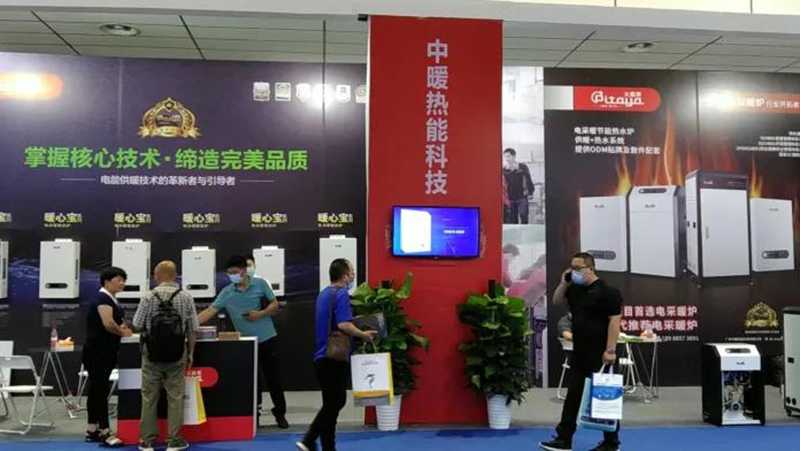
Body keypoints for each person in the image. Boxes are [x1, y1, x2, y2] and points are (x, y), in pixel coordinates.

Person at [540, 252, 623, 451]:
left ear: (591, 269)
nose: (573, 271)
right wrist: (564, 282)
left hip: (601, 353)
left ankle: (611, 443)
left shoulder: (608, 291)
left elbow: (615, 321)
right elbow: (556, 301)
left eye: (578, 268)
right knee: (573, 396)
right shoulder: (574, 290)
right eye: (572, 267)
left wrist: (610, 350)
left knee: (605, 397)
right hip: (579, 352)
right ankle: (564, 439)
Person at [197, 255, 288, 429]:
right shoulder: (227, 292)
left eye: (235, 272)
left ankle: (280, 413)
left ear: (244, 270)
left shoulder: (260, 284)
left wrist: (259, 314)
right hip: (246, 344)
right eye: (229, 273)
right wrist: (192, 323)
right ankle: (255, 415)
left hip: (267, 338)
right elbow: (210, 311)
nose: (232, 275)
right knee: (253, 381)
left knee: (273, 378)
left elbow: (275, 304)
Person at [296, 259, 376, 451]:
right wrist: (362, 334)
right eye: (352, 272)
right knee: (336, 402)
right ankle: (309, 439)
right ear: (345, 275)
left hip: (321, 356)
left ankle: (328, 447)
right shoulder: (341, 294)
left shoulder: (324, 294)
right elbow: (343, 324)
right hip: (334, 357)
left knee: (330, 405)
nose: (354, 276)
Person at [133, 261, 199, 451]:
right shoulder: (186, 297)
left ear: (160, 275)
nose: (154, 277)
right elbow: (193, 329)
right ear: (174, 275)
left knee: (149, 397)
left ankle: (147, 441)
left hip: (151, 353)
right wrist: (190, 353)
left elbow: (137, 324)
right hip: (177, 353)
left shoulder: (148, 297)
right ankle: (174, 440)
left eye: (155, 274)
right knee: (175, 397)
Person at [83, 266, 132, 448]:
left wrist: (124, 328)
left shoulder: (111, 299)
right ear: (107, 281)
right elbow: (109, 323)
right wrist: (123, 333)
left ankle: (92, 429)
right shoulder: (102, 298)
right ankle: (105, 431)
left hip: (105, 350)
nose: (122, 283)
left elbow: (116, 322)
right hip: (98, 351)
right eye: (119, 280)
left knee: (96, 390)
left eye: (124, 280)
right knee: (100, 391)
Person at [503, 148, 534, 224]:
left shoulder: (522, 167)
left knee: (524, 217)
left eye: (509, 156)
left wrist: (530, 192)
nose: (507, 159)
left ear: (514, 156)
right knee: (512, 220)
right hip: (510, 198)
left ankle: (525, 231)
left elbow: (528, 179)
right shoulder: (504, 169)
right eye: (505, 157)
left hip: (522, 197)